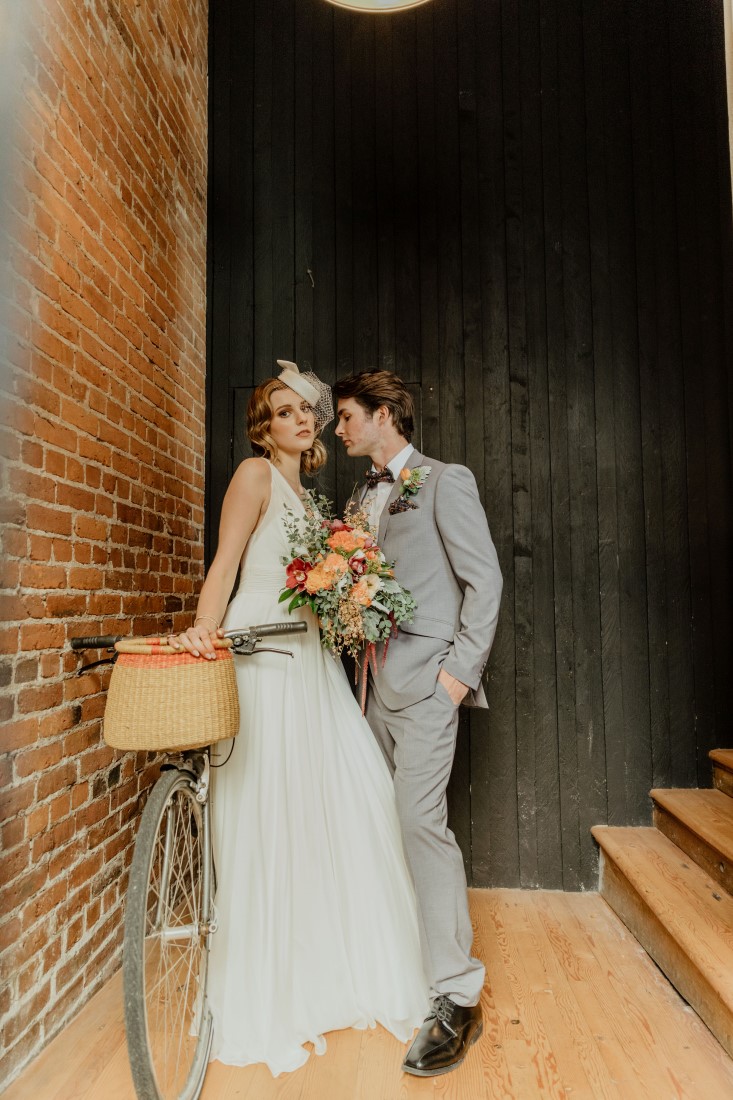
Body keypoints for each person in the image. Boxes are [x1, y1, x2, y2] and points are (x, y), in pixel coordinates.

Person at [171, 361, 428, 1076]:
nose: (300, 419)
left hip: (308, 658)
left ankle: (324, 965)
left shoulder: (308, 496)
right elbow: (224, 564)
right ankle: (268, 977)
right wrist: (203, 630)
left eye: (305, 411)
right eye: (283, 412)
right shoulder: (254, 477)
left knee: (336, 800)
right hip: (261, 655)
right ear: (265, 426)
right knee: (266, 801)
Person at [333, 369, 503, 1078]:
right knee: (374, 825)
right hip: (367, 688)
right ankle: (391, 964)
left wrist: (455, 678)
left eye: (346, 416)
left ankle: (457, 997)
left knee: (419, 827)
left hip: (427, 687)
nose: (337, 429)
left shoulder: (442, 479)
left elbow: (482, 579)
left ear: (383, 416)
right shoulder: (358, 495)